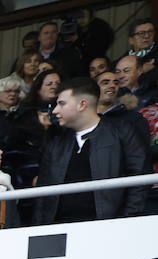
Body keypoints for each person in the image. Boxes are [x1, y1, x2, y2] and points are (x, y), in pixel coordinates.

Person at [35, 77, 148, 223]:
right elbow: (42, 193)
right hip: (59, 231)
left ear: (82, 104)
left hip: (107, 229)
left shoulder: (121, 132)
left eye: (61, 103)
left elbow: (139, 178)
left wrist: (127, 221)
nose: (55, 110)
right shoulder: (56, 141)